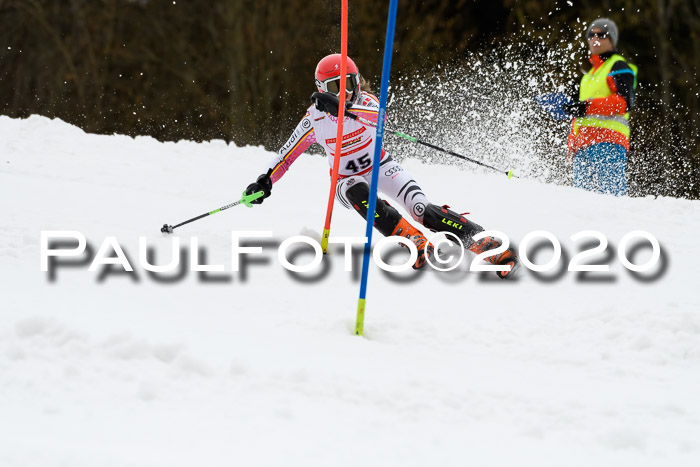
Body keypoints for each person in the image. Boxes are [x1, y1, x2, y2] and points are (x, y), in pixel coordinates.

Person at [244, 53, 519, 279]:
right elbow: (285, 156)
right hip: (345, 181)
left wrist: (339, 107)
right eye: (335, 88)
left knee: (421, 209)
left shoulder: (366, 103)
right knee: (357, 190)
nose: (346, 92)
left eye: (350, 83)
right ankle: (412, 240)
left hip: (382, 167)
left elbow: (377, 117)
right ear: (321, 90)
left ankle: (482, 241)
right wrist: (265, 181)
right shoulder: (314, 119)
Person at [564, 18, 637, 196]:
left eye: (601, 35)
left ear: (611, 40)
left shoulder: (618, 65)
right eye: (591, 35)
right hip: (583, 147)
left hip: (608, 144)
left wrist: (587, 107)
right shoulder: (588, 76)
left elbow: (624, 102)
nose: (595, 39)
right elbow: (581, 116)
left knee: (611, 201)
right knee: (581, 205)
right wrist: (572, 143)